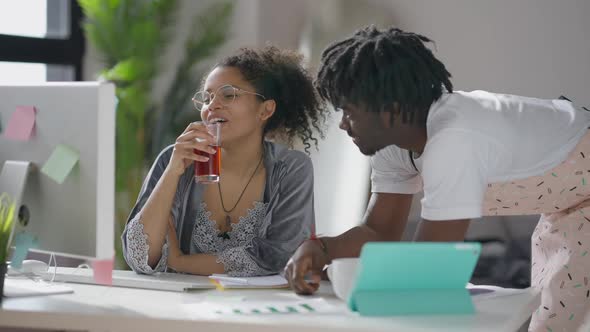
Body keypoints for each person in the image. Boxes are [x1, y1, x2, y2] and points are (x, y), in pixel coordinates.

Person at [284, 26, 590, 332]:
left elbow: (429, 268)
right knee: (557, 317)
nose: (343, 125)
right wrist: (322, 248)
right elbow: (379, 231)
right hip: (568, 203)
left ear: (389, 111)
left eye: (349, 112)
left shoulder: (454, 140)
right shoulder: (394, 147)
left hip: (578, 190)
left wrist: (351, 283)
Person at [122, 46, 327, 277]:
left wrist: (180, 262)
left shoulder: (291, 168)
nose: (212, 106)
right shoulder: (175, 159)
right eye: (207, 98)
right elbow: (140, 258)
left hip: (260, 308)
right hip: (181, 307)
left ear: (265, 110)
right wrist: (172, 171)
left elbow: (278, 257)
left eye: (228, 95)